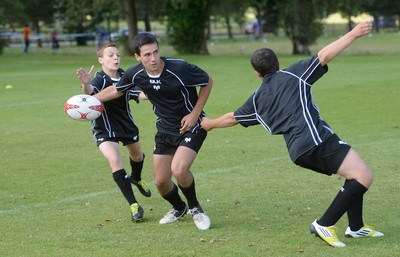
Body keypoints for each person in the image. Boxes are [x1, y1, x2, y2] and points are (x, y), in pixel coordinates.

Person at [201, 21, 384, 246]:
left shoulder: (257, 99)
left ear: (257, 73)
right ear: (277, 63)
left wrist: (208, 123)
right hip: (316, 141)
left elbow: (232, 118)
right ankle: (324, 224)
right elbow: (324, 55)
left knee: (354, 174)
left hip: (299, 151)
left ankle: (356, 228)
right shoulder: (294, 74)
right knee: (363, 176)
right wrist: (354, 33)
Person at [94, 33, 213, 230]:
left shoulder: (179, 67)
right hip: (165, 129)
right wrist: (90, 101)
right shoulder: (135, 73)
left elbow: (207, 81)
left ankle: (195, 208)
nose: (154, 59)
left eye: (156, 52)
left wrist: (195, 113)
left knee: (179, 170)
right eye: (147, 55)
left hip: (192, 126)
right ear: (138, 57)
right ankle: (179, 207)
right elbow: (116, 90)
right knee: (160, 182)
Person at [76, 42, 151, 223]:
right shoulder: (99, 79)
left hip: (126, 126)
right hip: (104, 128)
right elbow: (90, 93)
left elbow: (138, 93)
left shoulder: (127, 76)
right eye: (110, 55)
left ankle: (137, 178)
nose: (115, 57)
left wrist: (149, 91)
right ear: (101, 60)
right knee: (114, 159)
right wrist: (85, 84)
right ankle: (134, 205)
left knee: (138, 157)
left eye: (117, 54)